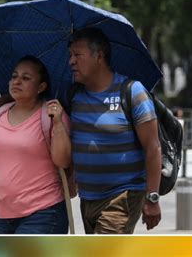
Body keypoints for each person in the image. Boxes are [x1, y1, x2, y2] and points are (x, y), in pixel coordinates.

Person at [67, 27, 162, 234]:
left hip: (122, 196)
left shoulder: (132, 92)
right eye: (70, 55)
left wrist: (152, 197)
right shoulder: (73, 95)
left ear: (99, 56)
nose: (71, 61)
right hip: (87, 198)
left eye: (77, 55)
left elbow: (153, 148)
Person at [0, 55, 71, 234]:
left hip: (43, 212)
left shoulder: (51, 116)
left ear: (41, 87)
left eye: (26, 78)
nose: (17, 81)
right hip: (2, 215)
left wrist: (59, 123)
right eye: (14, 76)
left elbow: (63, 161)